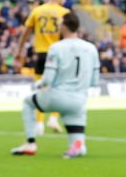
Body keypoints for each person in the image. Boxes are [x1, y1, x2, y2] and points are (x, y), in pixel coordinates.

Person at [11, 13, 100, 158]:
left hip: (57, 97)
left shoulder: (56, 47)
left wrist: (38, 85)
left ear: (63, 27)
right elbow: (95, 81)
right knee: (78, 141)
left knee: (28, 102)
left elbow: (48, 79)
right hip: (79, 100)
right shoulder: (91, 48)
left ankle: (30, 142)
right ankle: (77, 146)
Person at [14, 0, 69, 135]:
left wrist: (19, 51)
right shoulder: (64, 12)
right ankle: (54, 117)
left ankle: (39, 124)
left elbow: (25, 33)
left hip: (41, 55)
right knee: (60, 87)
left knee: (41, 89)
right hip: (58, 53)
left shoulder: (37, 11)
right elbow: (69, 36)